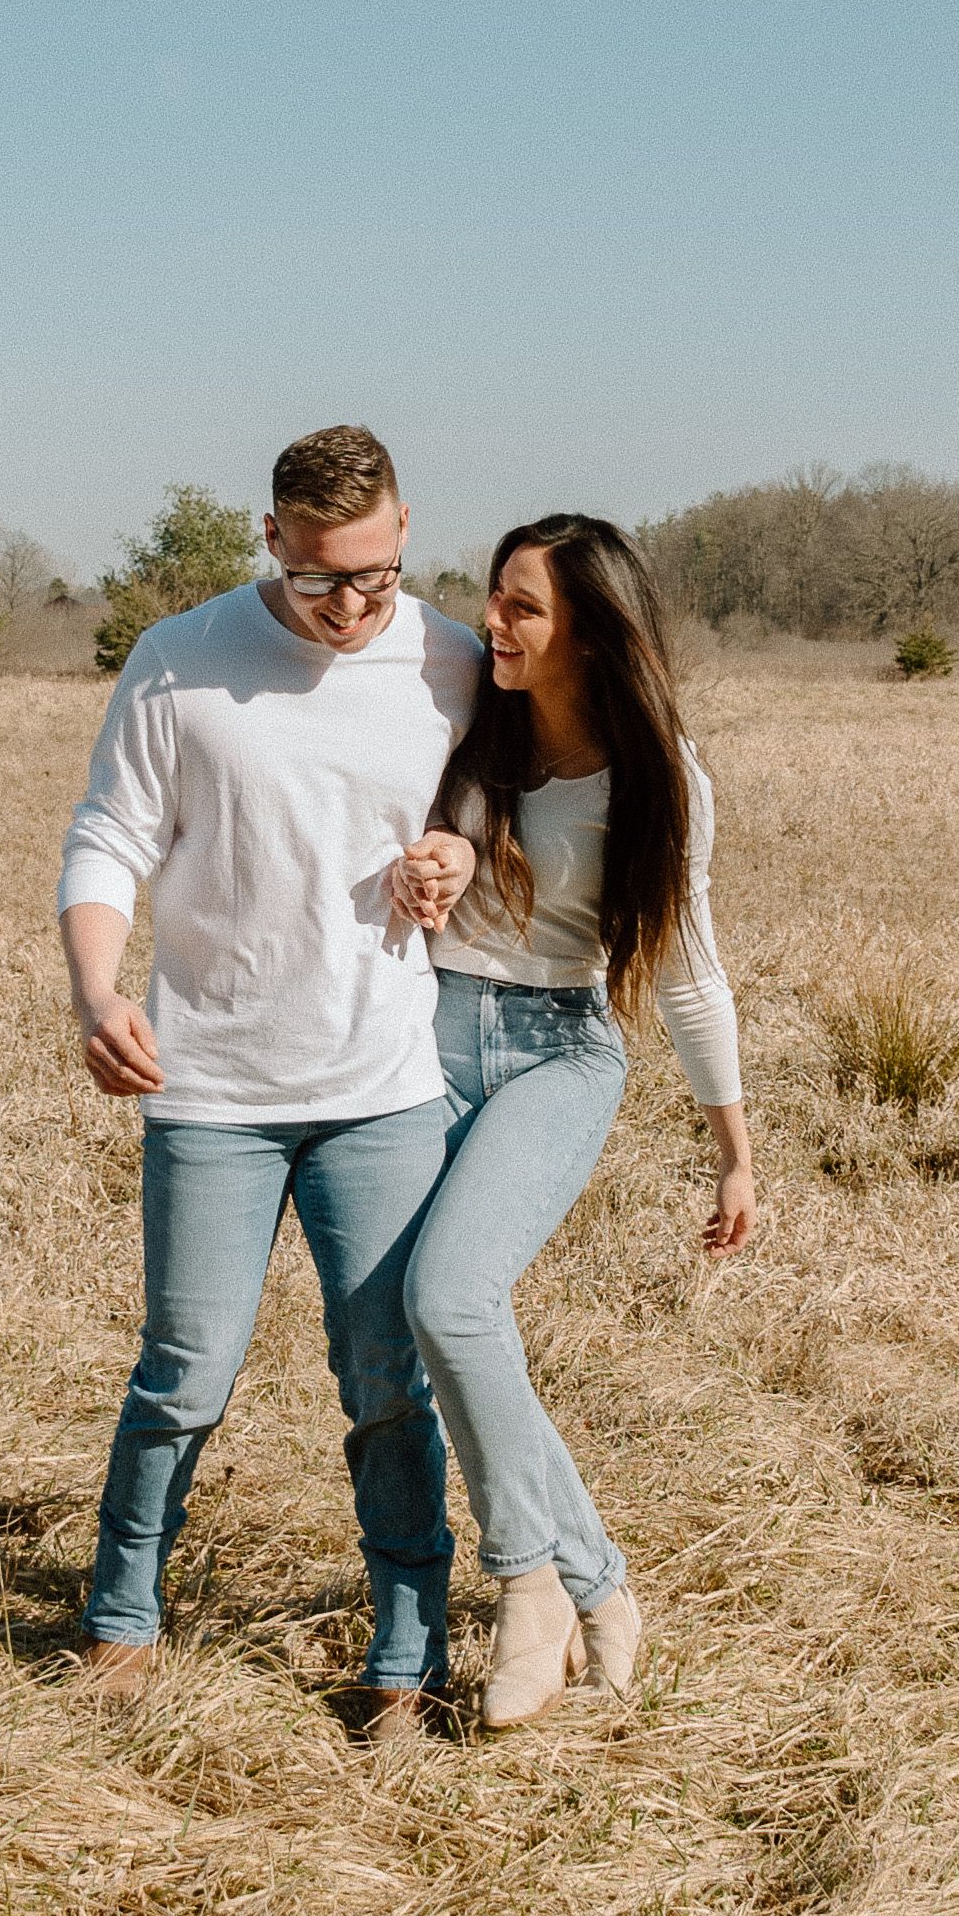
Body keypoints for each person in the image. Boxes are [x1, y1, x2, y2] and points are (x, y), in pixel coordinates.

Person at [60, 426, 481, 1730]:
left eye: (373, 575)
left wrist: (455, 860)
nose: (350, 609)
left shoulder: (454, 659)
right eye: (319, 583)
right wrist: (95, 989)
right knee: (184, 1371)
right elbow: (106, 836)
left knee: (387, 1380)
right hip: (212, 1089)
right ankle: (120, 1619)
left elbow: (495, 823)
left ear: (403, 526)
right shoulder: (180, 659)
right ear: (272, 540)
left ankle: (407, 1652)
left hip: (386, 1080)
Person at [390, 513, 754, 1730]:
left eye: (522, 608)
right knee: (439, 1332)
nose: (492, 622)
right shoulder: (472, 716)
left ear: (589, 633)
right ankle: (592, 1578)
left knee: (450, 1297)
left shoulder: (663, 775)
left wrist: (733, 1149)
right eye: (492, 597)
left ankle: (525, 1584)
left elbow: (690, 966)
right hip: (429, 1030)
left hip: (560, 1048)